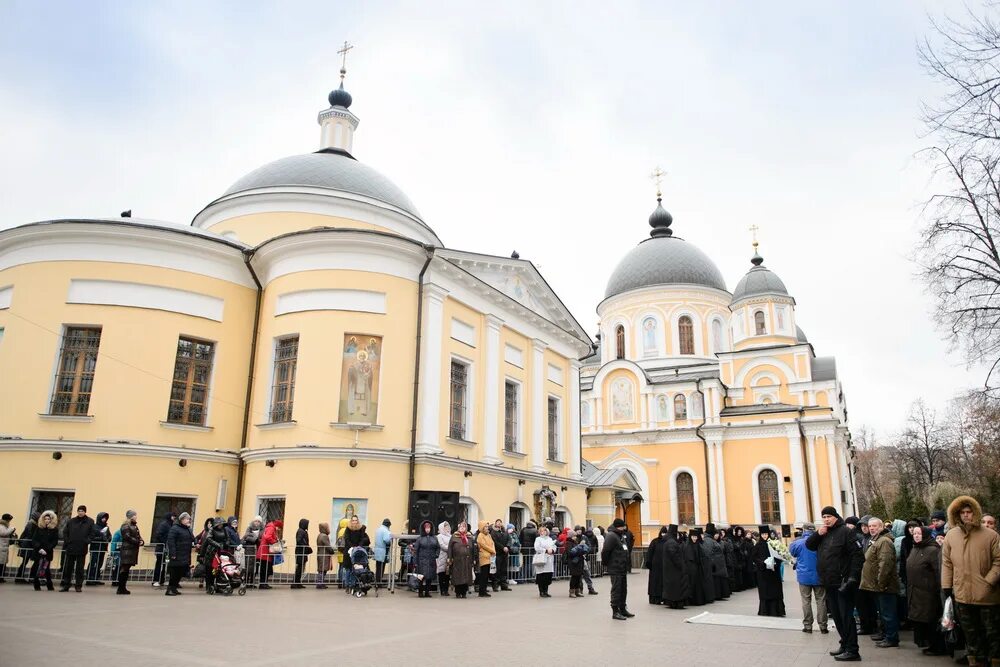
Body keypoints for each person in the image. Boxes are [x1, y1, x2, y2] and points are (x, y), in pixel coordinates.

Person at [941, 495, 1000, 667]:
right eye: (962, 512)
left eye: (969, 512)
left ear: (975, 513)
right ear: (957, 514)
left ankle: (995, 661)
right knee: (970, 633)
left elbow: (998, 560)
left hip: (988, 595)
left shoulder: (991, 535)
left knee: (992, 633)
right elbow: (947, 563)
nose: (966, 515)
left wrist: (989, 582)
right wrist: (946, 586)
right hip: (962, 595)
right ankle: (976, 661)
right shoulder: (951, 536)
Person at [806, 506, 864, 663]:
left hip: (842, 582)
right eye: (823, 516)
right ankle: (844, 643)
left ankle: (853, 650)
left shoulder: (846, 531)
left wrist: (852, 577)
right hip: (828, 582)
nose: (826, 519)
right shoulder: (824, 532)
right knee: (837, 617)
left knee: (846, 616)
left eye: (829, 516)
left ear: (835, 517)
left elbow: (857, 556)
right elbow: (809, 545)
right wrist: (818, 533)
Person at [905, 526, 947, 656]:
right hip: (915, 591)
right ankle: (928, 644)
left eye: (919, 533)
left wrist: (937, 589)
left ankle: (938, 647)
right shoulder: (915, 548)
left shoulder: (933, 550)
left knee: (931, 619)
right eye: (915, 533)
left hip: (928, 592)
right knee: (921, 620)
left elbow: (938, 572)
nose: (916, 536)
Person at [860, 517, 900, 648]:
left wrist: (881, 583)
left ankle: (891, 638)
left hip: (884, 585)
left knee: (888, 613)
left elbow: (885, 564)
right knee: (883, 613)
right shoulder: (876, 540)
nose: (871, 528)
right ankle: (885, 634)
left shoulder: (884, 541)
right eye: (870, 526)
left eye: (874, 526)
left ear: (881, 527)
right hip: (877, 585)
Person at [790, 522, 828, 634]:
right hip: (819, 576)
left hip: (803, 576)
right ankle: (823, 626)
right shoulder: (821, 541)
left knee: (806, 600)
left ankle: (808, 626)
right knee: (821, 600)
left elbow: (793, 553)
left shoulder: (797, 542)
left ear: (803, 530)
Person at [602, 518, 633, 620]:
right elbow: (606, 551)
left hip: (622, 567)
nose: (624, 528)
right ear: (617, 526)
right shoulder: (611, 536)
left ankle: (622, 609)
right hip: (615, 567)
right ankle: (615, 611)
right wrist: (607, 564)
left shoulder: (620, 535)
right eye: (622, 526)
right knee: (616, 589)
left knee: (623, 589)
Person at [60, 505, 96, 592]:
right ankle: (66, 585)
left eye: (82, 511)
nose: (80, 512)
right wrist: (67, 541)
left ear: (85, 512)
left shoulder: (90, 521)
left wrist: (87, 541)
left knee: (80, 568)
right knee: (68, 568)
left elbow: (92, 533)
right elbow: (65, 532)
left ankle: (78, 585)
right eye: (79, 510)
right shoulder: (71, 521)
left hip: (82, 547)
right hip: (71, 547)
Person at [752, 525, 785, 616]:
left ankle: (777, 611)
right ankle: (765, 610)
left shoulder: (774, 544)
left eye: (766, 534)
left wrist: (775, 563)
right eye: (763, 534)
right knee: (765, 591)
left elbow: (780, 555)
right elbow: (754, 557)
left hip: (774, 572)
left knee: (775, 591)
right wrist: (763, 563)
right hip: (763, 572)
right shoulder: (758, 545)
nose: (765, 536)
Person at [165, 512, 195, 596]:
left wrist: (196, 542)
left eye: (189, 519)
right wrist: (173, 553)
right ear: (182, 520)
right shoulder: (175, 528)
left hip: (185, 554)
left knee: (180, 572)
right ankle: (170, 589)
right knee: (174, 572)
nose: (189, 520)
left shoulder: (188, 529)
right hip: (177, 554)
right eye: (187, 519)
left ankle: (174, 588)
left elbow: (192, 538)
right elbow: (171, 541)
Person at [30, 510, 58, 591]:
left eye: (48, 519)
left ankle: (49, 584)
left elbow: (54, 541)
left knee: (46, 569)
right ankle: (36, 584)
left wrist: (47, 549)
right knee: (36, 568)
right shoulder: (39, 528)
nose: (47, 521)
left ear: (51, 520)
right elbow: (34, 539)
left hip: (47, 552)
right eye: (45, 519)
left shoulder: (54, 530)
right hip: (38, 552)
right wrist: (39, 548)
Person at [117, 510, 143, 595]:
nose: (136, 516)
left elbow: (137, 536)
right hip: (127, 550)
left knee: (126, 569)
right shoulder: (125, 525)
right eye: (134, 515)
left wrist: (141, 541)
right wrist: (137, 541)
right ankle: (121, 587)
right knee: (124, 569)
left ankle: (123, 587)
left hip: (132, 550)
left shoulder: (134, 526)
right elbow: (127, 536)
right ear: (131, 516)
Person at [341, 515, 370, 592]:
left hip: (357, 551)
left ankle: (353, 585)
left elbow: (362, 538)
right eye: (353, 520)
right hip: (348, 551)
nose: (354, 522)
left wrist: (358, 547)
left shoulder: (360, 529)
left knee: (355, 569)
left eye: (356, 520)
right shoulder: (348, 528)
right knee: (348, 570)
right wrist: (352, 547)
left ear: (358, 521)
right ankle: (347, 586)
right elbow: (347, 539)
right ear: (351, 521)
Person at [200, 518, 229, 593]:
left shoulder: (224, 530)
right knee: (210, 570)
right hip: (211, 552)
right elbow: (208, 539)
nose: (221, 525)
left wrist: (226, 543)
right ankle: (209, 586)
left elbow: (227, 538)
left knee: (220, 570)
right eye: (219, 524)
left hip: (221, 551)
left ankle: (219, 586)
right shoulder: (212, 530)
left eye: (222, 524)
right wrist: (217, 544)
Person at [447, 521, 474, 598]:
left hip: (467, 561)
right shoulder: (454, 536)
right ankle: (458, 592)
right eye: (461, 527)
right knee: (458, 577)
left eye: (464, 527)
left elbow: (473, 549)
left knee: (466, 577)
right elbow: (450, 548)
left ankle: (464, 592)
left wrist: (473, 559)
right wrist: (449, 558)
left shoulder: (469, 537)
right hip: (457, 560)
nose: (462, 528)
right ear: (458, 528)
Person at [413, 520, 439, 598]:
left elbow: (438, 547)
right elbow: (416, 551)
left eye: (429, 528)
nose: (427, 529)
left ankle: (427, 592)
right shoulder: (420, 539)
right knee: (421, 577)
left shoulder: (434, 538)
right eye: (426, 528)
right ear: (423, 529)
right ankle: (420, 592)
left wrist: (436, 555)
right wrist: (415, 562)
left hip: (431, 560)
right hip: (422, 560)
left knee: (429, 577)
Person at [644, 526, 669, 605]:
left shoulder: (667, 542)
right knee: (655, 583)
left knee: (662, 583)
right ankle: (655, 599)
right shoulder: (654, 541)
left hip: (664, 567)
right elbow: (650, 554)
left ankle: (663, 598)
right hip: (655, 567)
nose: (663, 535)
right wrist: (649, 564)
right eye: (662, 533)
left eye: (665, 533)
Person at [255, 519, 283, 589]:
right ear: (277, 526)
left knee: (265, 569)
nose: (278, 529)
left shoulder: (270, 527)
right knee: (265, 569)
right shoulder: (271, 528)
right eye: (279, 528)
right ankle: (263, 584)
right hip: (265, 552)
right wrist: (274, 541)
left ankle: (264, 583)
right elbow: (267, 537)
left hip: (265, 552)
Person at [85, 512, 111, 586]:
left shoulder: (106, 527)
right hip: (95, 547)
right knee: (93, 563)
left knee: (99, 563)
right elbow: (91, 537)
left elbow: (109, 536)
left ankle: (96, 578)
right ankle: (89, 578)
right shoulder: (94, 527)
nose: (104, 519)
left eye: (105, 518)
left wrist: (108, 539)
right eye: (103, 518)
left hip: (102, 548)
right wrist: (101, 538)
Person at [705, 525, 730, 600]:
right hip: (716, 565)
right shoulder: (709, 540)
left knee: (718, 580)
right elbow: (709, 553)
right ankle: (717, 595)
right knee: (716, 581)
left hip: (718, 565)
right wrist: (713, 564)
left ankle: (719, 595)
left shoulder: (711, 540)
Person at [151, 512, 174, 588]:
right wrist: (165, 542)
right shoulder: (164, 524)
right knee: (159, 564)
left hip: (167, 549)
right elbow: (158, 535)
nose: (174, 518)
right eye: (173, 516)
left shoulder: (170, 524)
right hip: (161, 548)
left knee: (165, 565)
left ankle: (162, 580)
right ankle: (156, 580)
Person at [533, 525, 557, 598]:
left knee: (547, 576)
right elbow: (537, 547)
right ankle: (541, 591)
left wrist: (552, 550)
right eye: (542, 531)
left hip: (549, 559)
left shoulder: (550, 539)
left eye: (545, 531)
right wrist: (546, 550)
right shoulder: (538, 539)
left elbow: (554, 546)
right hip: (541, 558)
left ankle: (546, 591)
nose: (543, 532)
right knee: (541, 576)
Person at [15, 512, 38, 583]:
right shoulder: (31, 524)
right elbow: (30, 535)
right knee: (25, 561)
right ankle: (19, 577)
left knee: (25, 561)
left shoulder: (31, 524)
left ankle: (19, 577)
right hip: (27, 545)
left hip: (27, 544)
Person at [475, 520, 495, 598]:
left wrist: (493, 551)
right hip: (484, 557)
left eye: (487, 526)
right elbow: (483, 545)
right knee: (483, 575)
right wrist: (492, 550)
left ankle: (484, 590)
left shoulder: (488, 535)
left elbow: (492, 543)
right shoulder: (480, 535)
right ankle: (481, 591)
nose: (487, 528)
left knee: (486, 575)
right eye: (485, 526)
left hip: (489, 557)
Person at [489, 518, 511, 592]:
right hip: (497, 553)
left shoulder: (505, 532)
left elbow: (509, 539)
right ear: (495, 523)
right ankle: (495, 585)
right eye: (497, 522)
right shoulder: (493, 532)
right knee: (497, 570)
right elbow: (494, 542)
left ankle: (504, 585)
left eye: (500, 522)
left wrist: (507, 547)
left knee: (504, 570)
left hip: (505, 554)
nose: (499, 523)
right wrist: (502, 548)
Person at [566, 530, 590, 597]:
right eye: (574, 536)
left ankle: (577, 590)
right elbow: (570, 553)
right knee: (574, 576)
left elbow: (580, 550)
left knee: (578, 577)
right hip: (573, 562)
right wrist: (579, 547)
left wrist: (583, 549)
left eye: (575, 536)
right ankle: (572, 591)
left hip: (579, 561)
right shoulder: (568, 543)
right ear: (571, 536)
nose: (575, 537)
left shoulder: (575, 542)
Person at [241, 516, 263, 585]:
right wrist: (255, 539)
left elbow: (262, 538)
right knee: (248, 565)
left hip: (257, 549)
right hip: (249, 549)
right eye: (256, 521)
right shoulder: (249, 528)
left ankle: (252, 582)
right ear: (253, 521)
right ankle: (246, 581)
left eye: (259, 521)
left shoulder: (262, 529)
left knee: (255, 566)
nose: (257, 523)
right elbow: (246, 536)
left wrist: (257, 539)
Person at [292, 518, 311, 589]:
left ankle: (298, 582)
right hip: (300, 552)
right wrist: (305, 546)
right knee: (299, 568)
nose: (307, 525)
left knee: (301, 568)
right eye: (306, 524)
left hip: (302, 551)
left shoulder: (302, 531)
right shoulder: (300, 531)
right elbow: (299, 541)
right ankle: (295, 583)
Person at [436, 521, 452, 596]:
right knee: (441, 574)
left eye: (448, 526)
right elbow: (442, 545)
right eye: (445, 527)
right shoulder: (439, 536)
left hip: (449, 557)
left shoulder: (450, 536)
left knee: (447, 574)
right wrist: (450, 548)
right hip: (442, 557)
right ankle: (442, 590)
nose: (447, 528)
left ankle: (446, 590)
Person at [374, 518, 392, 585]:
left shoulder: (378, 529)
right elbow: (387, 540)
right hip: (383, 551)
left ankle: (377, 581)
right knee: (381, 567)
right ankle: (379, 582)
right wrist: (391, 541)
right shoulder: (385, 531)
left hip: (377, 550)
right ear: (388, 525)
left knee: (378, 567)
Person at [315, 522, 332, 589]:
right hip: (324, 555)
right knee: (322, 570)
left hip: (320, 554)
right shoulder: (324, 536)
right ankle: (320, 583)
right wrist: (331, 551)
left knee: (321, 569)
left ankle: (320, 583)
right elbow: (327, 545)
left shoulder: (320, 535)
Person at [0, 513, 15, 583]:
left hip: (4, 547)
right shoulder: (1, 526)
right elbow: (3, 533)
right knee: (1, 563)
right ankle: (0, 577)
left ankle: (1, 577)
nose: (9, 521)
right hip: (1, 547)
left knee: (3, 563)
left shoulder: (5, 526)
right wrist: (11, 529)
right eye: (9, 520)